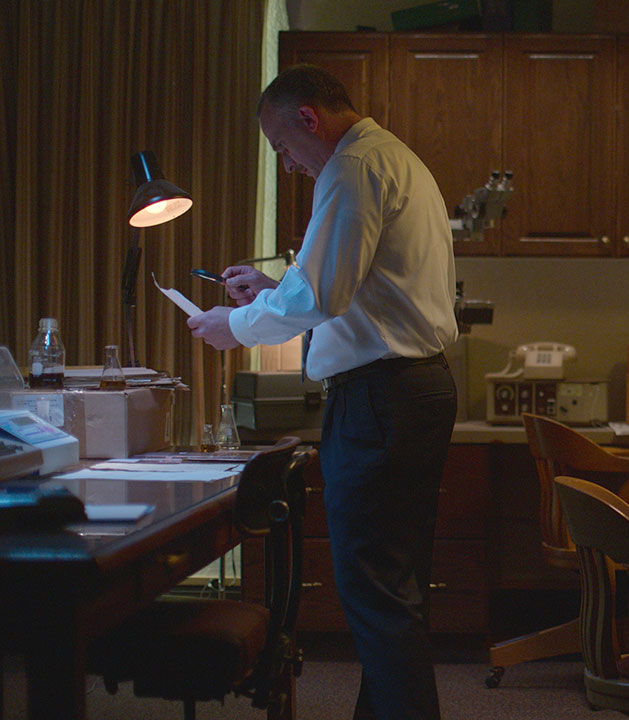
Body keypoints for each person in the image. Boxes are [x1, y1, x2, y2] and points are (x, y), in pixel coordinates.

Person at [187, 64, 458, 720]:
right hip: (417, 390)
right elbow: (355, 287)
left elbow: (324, 295)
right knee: (396, 591)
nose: (289, 165)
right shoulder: (396, 158)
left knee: (376, 595)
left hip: (379, 398)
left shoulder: (350, 167)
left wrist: (233, 326)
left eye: (283, 147)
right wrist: (272, 289)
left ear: (308, 118)